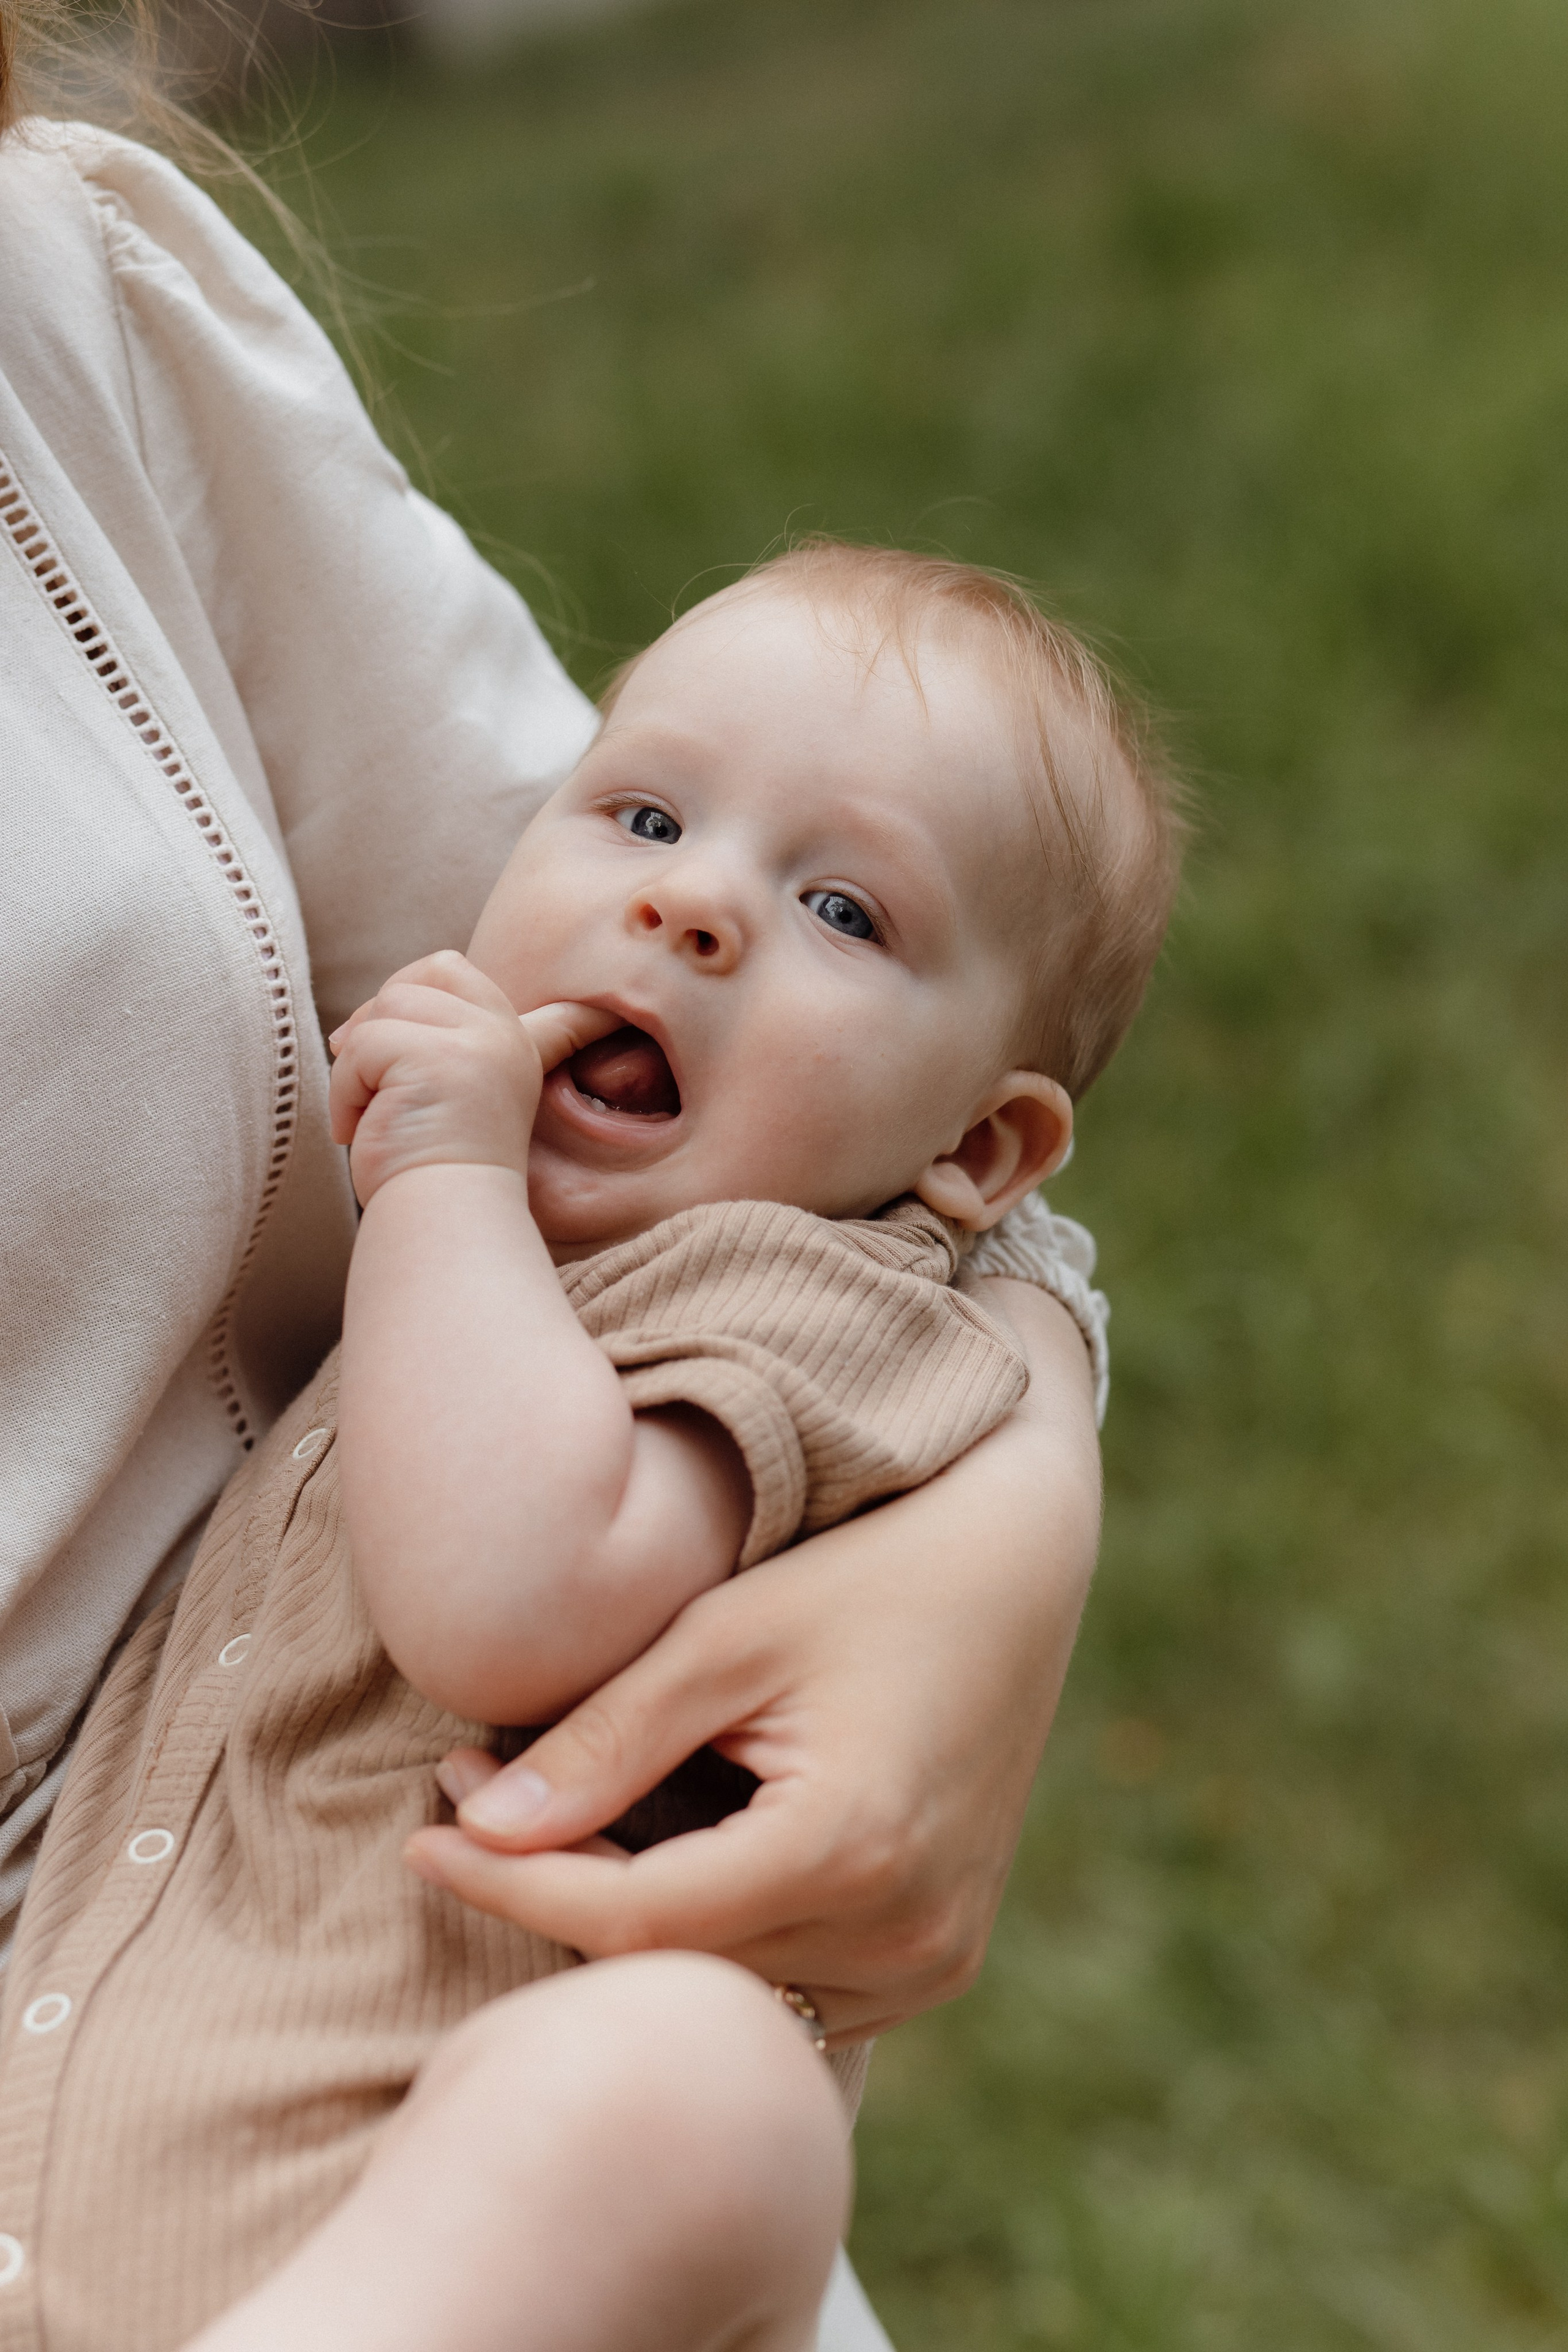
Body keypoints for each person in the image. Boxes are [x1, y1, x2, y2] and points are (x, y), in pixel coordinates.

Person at [0, 70, 1107, 2352]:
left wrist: (438, 1186)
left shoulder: (793, 1301)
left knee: (700, 2095)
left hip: (379, 2191)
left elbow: (509, 1595)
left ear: (977, 1157)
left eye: (836, 907)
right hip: (98, 2117)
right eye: (642, 817)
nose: (693, 912)